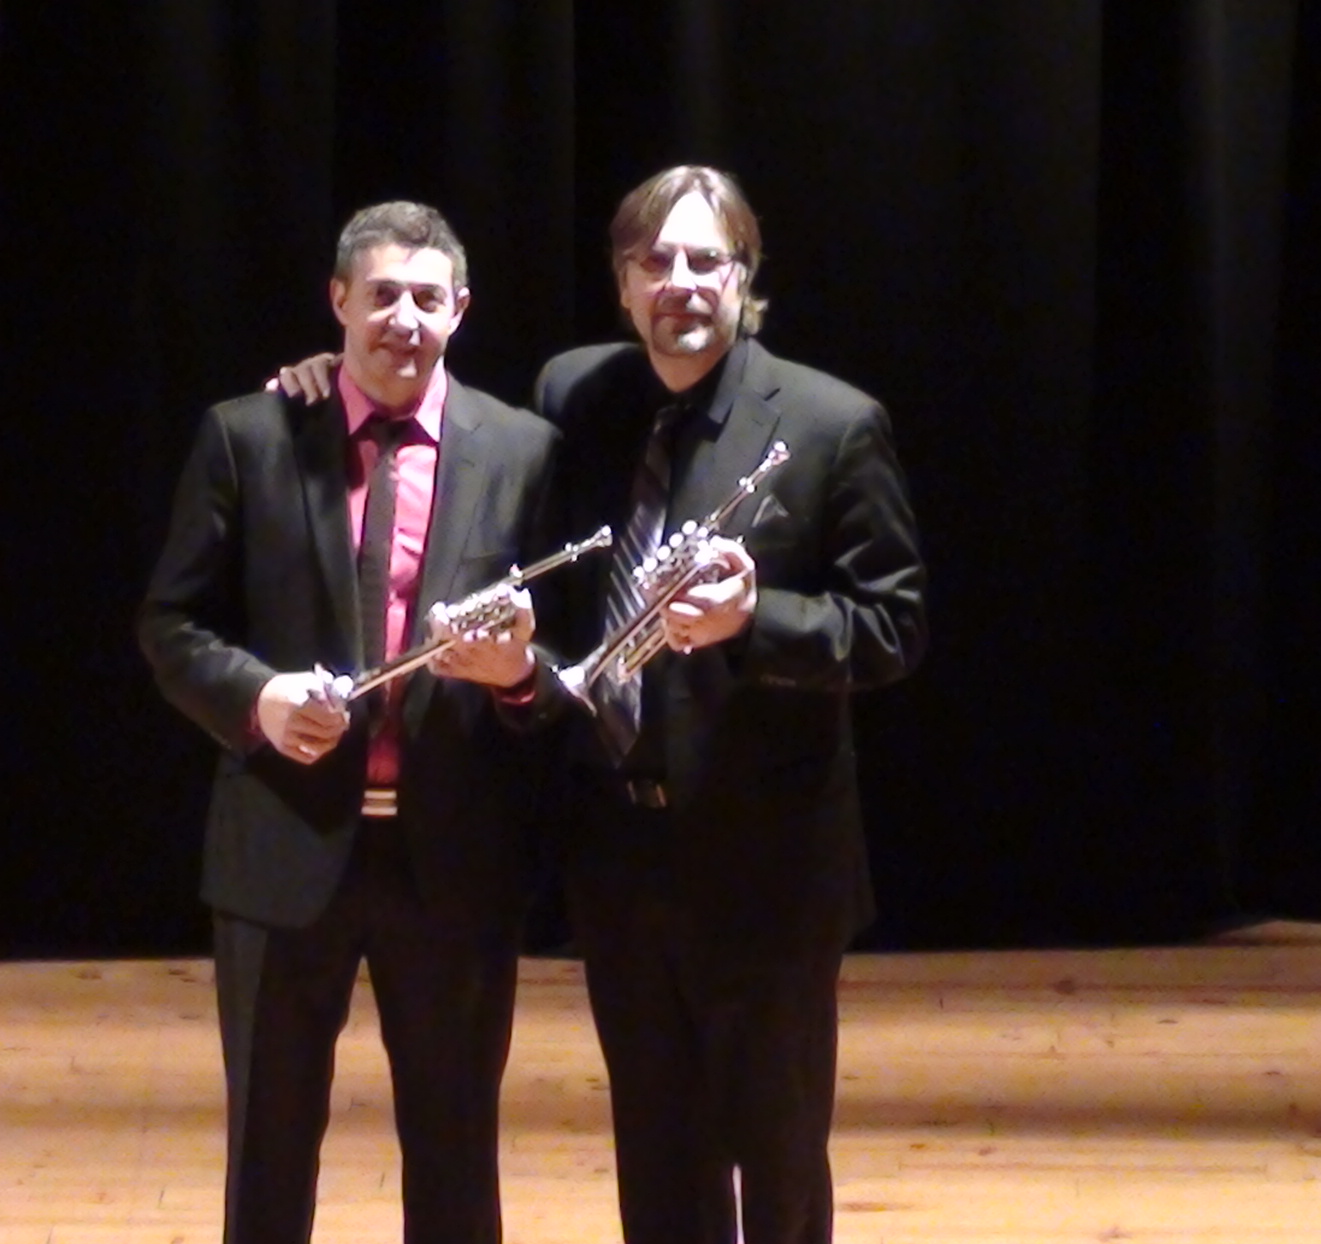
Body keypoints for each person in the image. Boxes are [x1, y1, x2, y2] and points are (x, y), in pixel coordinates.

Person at [273, 164, 928, 1244]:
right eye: (654, 261)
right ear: (623, 283)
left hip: (766, 865)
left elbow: (894, 628)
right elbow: (445, 414)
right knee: (658, 1167)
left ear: (745, 274)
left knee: (777, 1166)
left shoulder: (832, 423)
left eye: (706, 260)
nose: (681, 283)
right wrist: (321, 377)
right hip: (618, 856)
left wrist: (755, 619)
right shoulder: (577, 395)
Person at [138, 200, 557, 1244]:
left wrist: (517, 674)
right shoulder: (250, 434)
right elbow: (170, 623)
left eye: (427, 298)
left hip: (454, 857)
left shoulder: (525, 450)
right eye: (381, 294)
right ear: (338, 301)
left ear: (460, 309)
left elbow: (566, 661)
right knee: (269, 1156)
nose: (403, 318)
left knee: (457, 1158)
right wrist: (258, 698)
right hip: (283, 846)